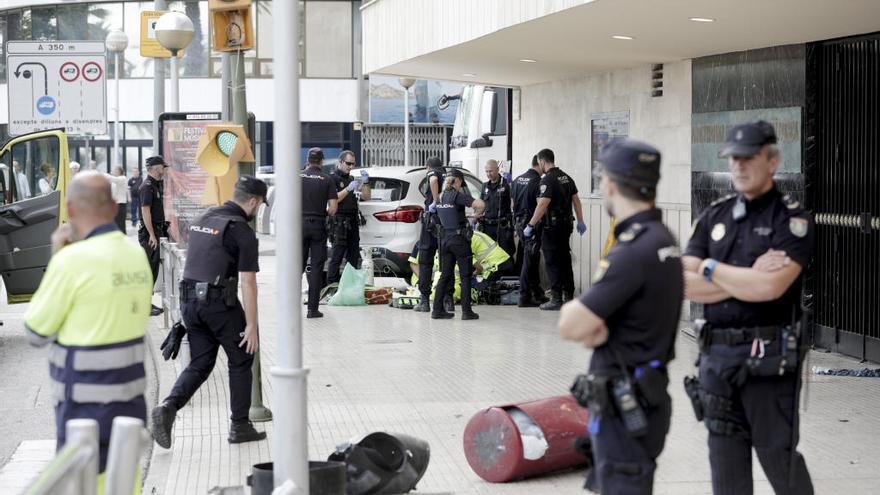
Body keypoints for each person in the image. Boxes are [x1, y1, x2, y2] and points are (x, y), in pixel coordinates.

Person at [683, 120, 814, 495]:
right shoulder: (714, 215)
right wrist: (742, 278)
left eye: (748, 157)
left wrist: (710, 270)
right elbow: (681, 280)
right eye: (733, 158)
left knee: (780, 460)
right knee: (725, 470)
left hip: (768, 362)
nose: (738, 165)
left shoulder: (791, 219)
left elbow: (770, 287)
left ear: (772, 162)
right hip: (716, 360)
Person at [559, 139, 681, 494]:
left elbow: (571, 324)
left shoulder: (632, 252)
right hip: (646, 395)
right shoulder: (662, 239)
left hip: (624, 405)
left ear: (610, 184)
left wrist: (592, 325)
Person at [23, 172, 152, 488]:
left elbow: (36, 332)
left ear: (70, 208)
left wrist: (57, 256)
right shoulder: (136, 255)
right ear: (112, 207)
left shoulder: (70, 261)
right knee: (125, 482)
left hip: (83, 414)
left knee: (82, 486)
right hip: (131, 405)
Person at [151, 176, 269, 448]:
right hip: (218, 303)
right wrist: (251, 326)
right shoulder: (241, 231)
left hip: (189, 302)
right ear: (252, 201)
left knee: (201, 363)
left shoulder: (205, 217)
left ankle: (168, 407)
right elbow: (248, 282)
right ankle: (240, 426)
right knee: (241, 357)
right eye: (260, 204)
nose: (258, 210)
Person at [524, 148, 586, 310]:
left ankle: (556, 298)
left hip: (552, 227)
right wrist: (580, 220)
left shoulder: (547, 180)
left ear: (542, 162)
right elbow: (576, 201)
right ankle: (569, 296)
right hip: (567, 226)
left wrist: (530, 224)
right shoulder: (567, 177)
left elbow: (543, 204)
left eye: (540, 163)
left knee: (552, 261)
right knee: (565, 259)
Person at [432, 168, 485, 320]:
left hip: (445, 241)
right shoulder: (458, 196)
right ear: (459, 181)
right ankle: (467, 312)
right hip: (459, 241)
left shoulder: (440, 197)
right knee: (465, 276)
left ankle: (437, 310)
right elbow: (480, 204)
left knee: (445, 275)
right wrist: (475, 215)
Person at [301, 148, 338, 318]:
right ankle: (312, 309)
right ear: (322, 161)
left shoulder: (298, 177)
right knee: (316, 268)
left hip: (298, 226)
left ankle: (290, 307)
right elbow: (333, 208)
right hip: (317, 226)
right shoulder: (326, 179)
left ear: (308, 160)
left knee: (296, 267)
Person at [327, 150, 371, 284]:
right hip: (339, 222)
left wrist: (366, 183)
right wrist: (348, 189)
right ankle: (331, 285)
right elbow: (333, 200)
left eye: (353, 164)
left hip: (352, 221)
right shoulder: (332, 179)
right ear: (340, 162)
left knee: (353, 256)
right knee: (337, 256)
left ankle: (350, 284)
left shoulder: (351, 179)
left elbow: (366, 197)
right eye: (348, 163)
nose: (350, 167)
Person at [512, 155, 549, 307]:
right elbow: (541, 205)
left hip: (519, 223)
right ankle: (524, 296)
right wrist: (534, 224)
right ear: (539, 164)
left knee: (532, 258)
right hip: (531, 224)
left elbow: (513, 204)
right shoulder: (538, 182)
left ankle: (537, 293)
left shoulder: (517, 179)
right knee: (529, 260)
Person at [139, 155, 171, 316]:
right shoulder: (147, 186)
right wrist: (152, 234)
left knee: (153, 269)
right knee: (149, 269)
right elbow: (145, 211)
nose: (164, 170)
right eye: (163, 167)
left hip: (156, 231)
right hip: (149, 233)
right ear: (157, 168)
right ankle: (145, 305)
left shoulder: (154, 185)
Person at [413, 157, 446, 313]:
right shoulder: (447, 174)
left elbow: (432, 180)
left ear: (428, 166)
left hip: (431, 222)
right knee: (447, 260)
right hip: (446, 222)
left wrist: (435, 200)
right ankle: (448, 300)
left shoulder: (433, 172)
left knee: (425, 260)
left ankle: (424, 301)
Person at [478, 159, 515, 270]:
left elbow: (514, 204)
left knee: (506, 253)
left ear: (498, 170)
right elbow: (481, 205)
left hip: (503, 226)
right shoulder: (484, 187)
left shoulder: (506, 184)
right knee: (489, 253)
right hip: (488, 227)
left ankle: (508, 277)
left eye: (491, 171)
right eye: (487, 171)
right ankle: (491, 277)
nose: (488, 174)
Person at [107, 166, 129, 232]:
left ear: (119, 171)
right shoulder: (115, 181)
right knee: (115, 224)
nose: (112, 171)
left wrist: (99, 173)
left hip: (120, 204)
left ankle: (122, 239)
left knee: (120, 224)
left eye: (114, 170)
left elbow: (111, 178)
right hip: (115, 204)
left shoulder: (122, 178)